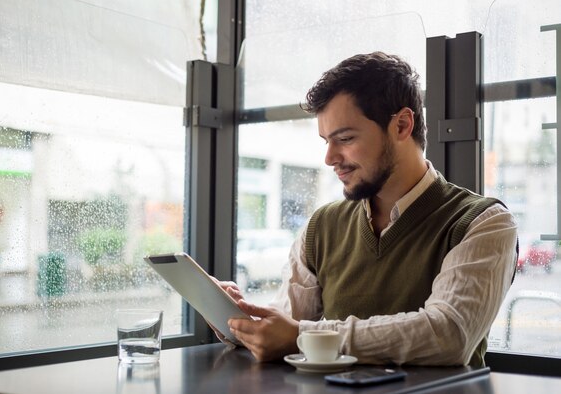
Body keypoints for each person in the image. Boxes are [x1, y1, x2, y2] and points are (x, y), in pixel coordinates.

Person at [216, 51, 518, 367]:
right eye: (326, 142)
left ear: (402, 125)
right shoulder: (322, 226)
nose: (329, 157)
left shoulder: (482, 222)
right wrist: (240, 322)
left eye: (344, 138)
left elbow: (448, 334)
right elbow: (286, 329)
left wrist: (304, 336)